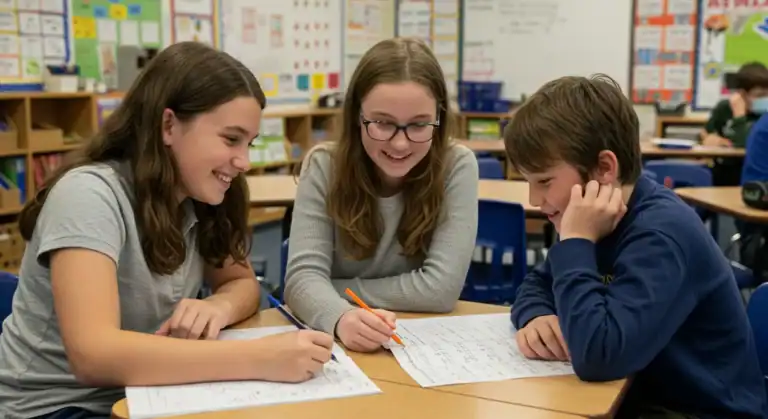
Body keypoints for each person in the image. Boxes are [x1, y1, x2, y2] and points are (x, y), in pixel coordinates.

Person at [0, 42, 334, 419]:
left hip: (143, 393)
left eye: (250, 143)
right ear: (169, 125)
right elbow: (93, 355)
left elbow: (242, 284)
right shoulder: (89, 195)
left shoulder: (202, 195)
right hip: (56, 407)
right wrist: (259, 357)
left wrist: (218, 305)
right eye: (230, 139)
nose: (244, 161)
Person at [504, 74, 766, 418]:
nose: (535, 200)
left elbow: (599, 356)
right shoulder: (601, 215)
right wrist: (538, 315)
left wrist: (577, 241)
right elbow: (538, 283)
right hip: (639, 398)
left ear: (604, 168)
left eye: (544, 182)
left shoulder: (661, 234)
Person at [283, 37, 479, 353]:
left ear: (439, 119)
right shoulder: (324, 166)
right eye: (382, 123)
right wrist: (341, 317)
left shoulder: (457, 166)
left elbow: (440, 291)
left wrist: (327, 291)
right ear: (356, 117)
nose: (400, 144)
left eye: (418, 125)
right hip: (341, 344)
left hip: (425, 345)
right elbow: (302, 279)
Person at [701, 62, 768, 185]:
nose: (765, 99)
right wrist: (710, 139)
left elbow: (746, 144)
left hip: (753, 173)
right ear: (742, 94)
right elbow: (706, 133)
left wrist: (739, 118)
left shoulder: (764, 116)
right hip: (724, 171)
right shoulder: (725, 108)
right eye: (760, 95)